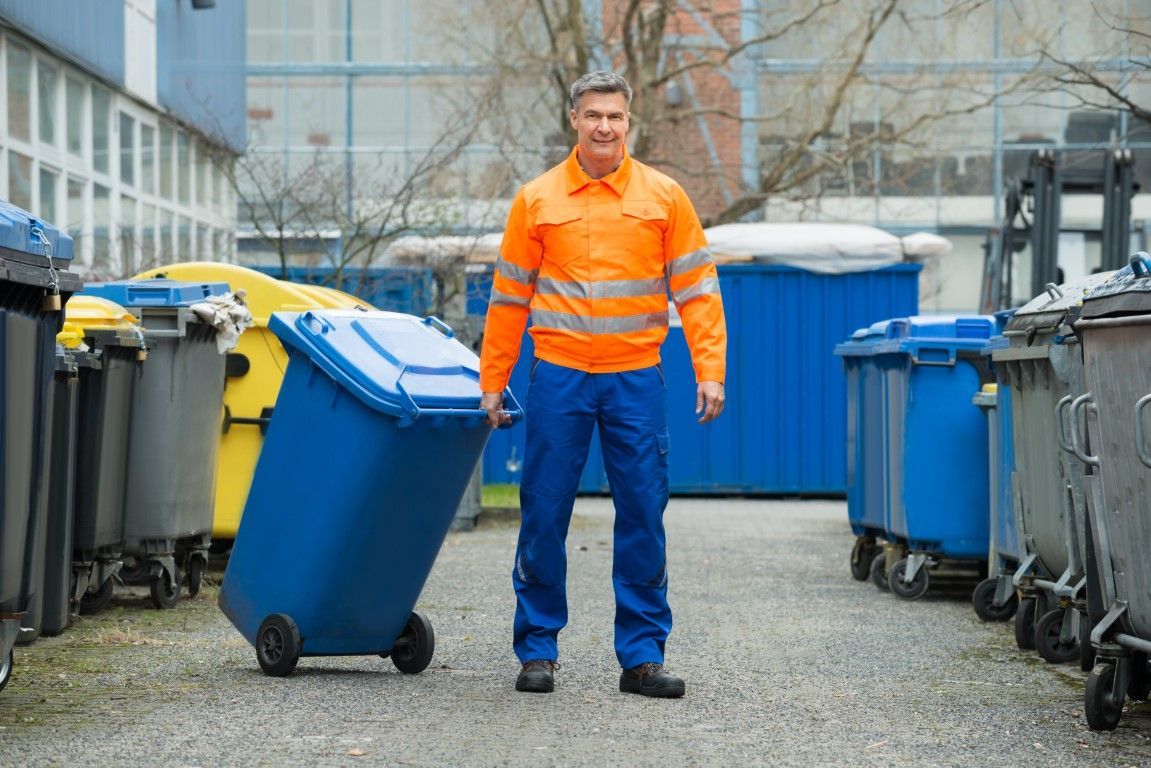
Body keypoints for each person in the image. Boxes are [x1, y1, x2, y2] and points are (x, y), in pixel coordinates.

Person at [478, 71, 726, 699]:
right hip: (558, 376)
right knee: (543, 512)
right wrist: (492, 381)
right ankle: (537, 651)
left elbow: (697, 291)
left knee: (643, 514)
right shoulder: (536, 200)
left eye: (615, 116)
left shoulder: (664, 196)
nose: (604, 127)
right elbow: (508, 300)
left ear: (628, 122)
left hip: (635, 378)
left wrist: (711, 370)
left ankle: (641, 657)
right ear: (574, 119)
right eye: (594, 115)